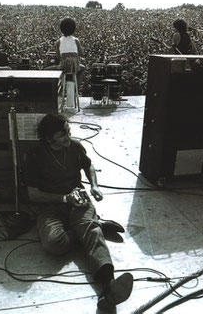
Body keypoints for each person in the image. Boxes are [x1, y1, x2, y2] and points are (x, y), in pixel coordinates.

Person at [24, 113, 133, 311]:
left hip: (79, 199)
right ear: (49, 138)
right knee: (54, 244)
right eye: (62, 134)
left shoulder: (75, 147)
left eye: (68, 131)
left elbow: (89, 165)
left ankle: (109, 286)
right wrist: (64, 198)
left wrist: (94, 186)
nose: (68, 136)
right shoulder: (35, 156)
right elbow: (33, 194)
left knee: (91, 233)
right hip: (49, 206)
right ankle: (95, 225)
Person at [48, 17, 85, 87]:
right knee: (83, 68)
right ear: (73, 29)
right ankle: (76, 86)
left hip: (63, 67)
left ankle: (57, 89)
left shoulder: (58, 41)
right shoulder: (76, 40)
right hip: (75, 67)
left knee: (46, 69)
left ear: (62, 28)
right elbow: (81, 53)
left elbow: (58, 57)